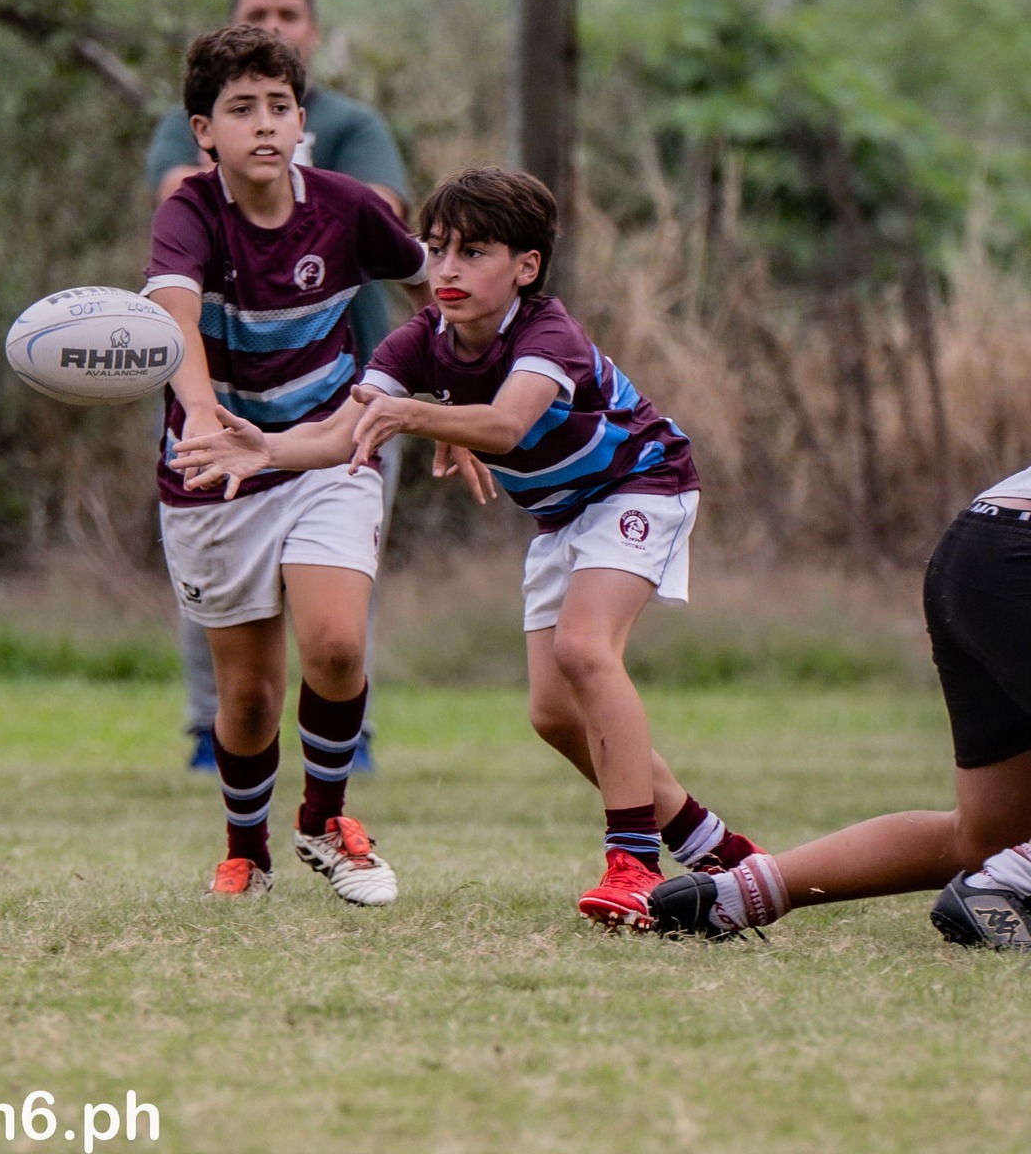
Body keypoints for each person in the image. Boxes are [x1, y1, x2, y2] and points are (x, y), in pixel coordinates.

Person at [174, 165, 762, 928]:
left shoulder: (548, 333)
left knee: (587, 652)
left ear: (526, 267)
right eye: (439, 248)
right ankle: (710, 843)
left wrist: (415, 418)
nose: (447, 269)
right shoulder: (421, 340)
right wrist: (271, 449)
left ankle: (635, 866)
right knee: (553, 714)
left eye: (474, 252)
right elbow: (347, 429)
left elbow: (506, 425)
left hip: (641, 484)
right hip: (561, 518)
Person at [145, 24, 432, 903]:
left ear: (301, 120)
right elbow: (173, 316)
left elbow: (437, 289)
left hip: (324, 451)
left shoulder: (346, 207)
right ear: (205, 130)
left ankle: (324, 818)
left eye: (279, 107)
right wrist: (201, 412)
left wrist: (453, 405)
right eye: (241, 109)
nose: (264, 125)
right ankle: (246, 851)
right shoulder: (189, 211)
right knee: (250, 696)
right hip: (213, 474)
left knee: (338, 645)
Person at [652, 470, 1031, 947]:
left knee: (988, 837)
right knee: (1003, 856)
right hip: (1020, 553)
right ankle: (1006, 883)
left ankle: (737, 894)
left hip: (975, 544)